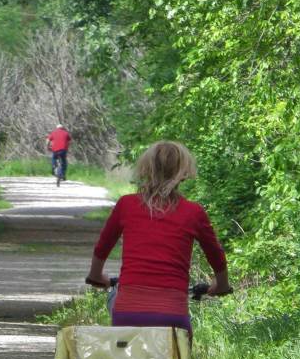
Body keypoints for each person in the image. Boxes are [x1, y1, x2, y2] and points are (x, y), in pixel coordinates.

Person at [84, 141, 231, 332]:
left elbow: (102, 247)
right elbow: (216, 256)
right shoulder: (193, 212)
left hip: (128, 313)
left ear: (146, 169)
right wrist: (221, 285)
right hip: (172, 315)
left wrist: (96, 276)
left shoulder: (126, 205)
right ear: (182, 174)